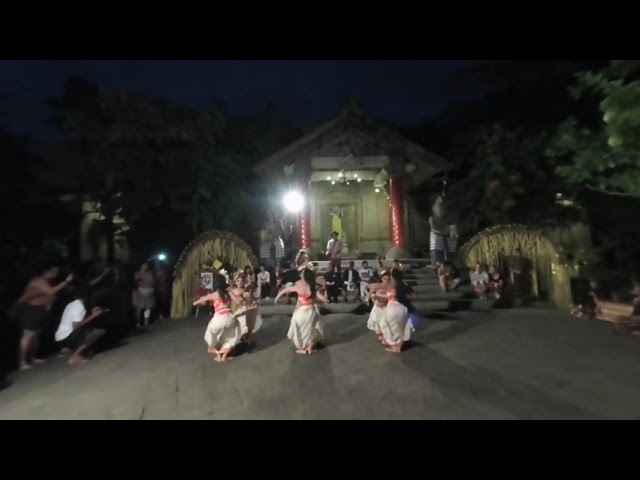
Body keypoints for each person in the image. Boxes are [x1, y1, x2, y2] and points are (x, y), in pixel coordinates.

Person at [15, 261, 73, 370]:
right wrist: (66, 282)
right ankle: (22, 362)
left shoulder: (46, 281)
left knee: (35, 336)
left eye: (56, 271)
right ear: (46, 271)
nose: (55, 273)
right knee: (28, 335)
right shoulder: (39, 280)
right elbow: (50, 292)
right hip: (32, 310)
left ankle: (32, 358)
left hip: (41, 310)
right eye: (53, 271)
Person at [274, 267, 328, 354]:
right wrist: (325, 291)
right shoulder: (313, 288)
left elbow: (285, 290)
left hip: (301, 312)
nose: (301, 275)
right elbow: (325, 300)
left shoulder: (299, 286)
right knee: (311, 329)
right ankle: (309, 347)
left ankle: (304, 348)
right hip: (311, 312)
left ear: (304, 277)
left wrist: (277, 298)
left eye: (302, 274)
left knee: (299, 328)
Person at [193, 273, 242, 362]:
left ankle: (217, 353)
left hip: (218, 320)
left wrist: (201, 299)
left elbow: (196, 303)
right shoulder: (229, 292)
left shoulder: (213, 295)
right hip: (230, 319)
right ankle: (224, 355)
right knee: (231, 336)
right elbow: (238, 302)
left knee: (212, 335)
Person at [55, 287, 106, 365]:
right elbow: (76, 326)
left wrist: (91, 313)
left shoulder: (72, 304)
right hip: (67, 336)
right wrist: (92, 316)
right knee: (98, 332)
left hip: (60, 337)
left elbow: (78, 321)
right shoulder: (79, 306)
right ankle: (74, 356)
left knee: (87, 339)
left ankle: (69, 349)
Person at [366, 269, 391, 337]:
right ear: (381, 279)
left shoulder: (391, 286)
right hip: (378, 307)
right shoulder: (377, 285)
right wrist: (370, 297)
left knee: (386, 324)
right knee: (377, 323)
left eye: (388, 279)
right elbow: (366, 288)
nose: (386, 280)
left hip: (386, 307)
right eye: (384, 279)